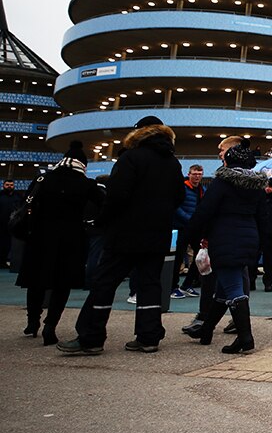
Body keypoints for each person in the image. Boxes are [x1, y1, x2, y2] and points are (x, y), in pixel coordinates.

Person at [57, 116, 185, 355]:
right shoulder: (172, 163)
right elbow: (179, 196)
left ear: (139, 134)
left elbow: (116, 196)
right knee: (149, 284)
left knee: (105, 282)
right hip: (157, 234)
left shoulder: (130, 158)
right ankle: (149, 336)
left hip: (126, 232)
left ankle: (91, 337)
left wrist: (103, 221)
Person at [184, 139, 267, 353]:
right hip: (248, 236)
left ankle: (245, 338)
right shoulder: (257, 186)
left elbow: (205, 210)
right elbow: (262, 215)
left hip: (225, 236)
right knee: (223, 288)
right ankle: (207, 330)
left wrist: (190, 234)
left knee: (232, 288)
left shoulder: (222, 183)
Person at [19, 142, 104, 345]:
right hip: (71, 240)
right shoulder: (86, 184)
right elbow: (104, 205)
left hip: (40, 237)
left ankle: (32, 322)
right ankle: (51, 326)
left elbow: (26, 201)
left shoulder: (43, 179)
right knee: (62, 284)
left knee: (36, 281)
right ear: (82, 164)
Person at [171, 164, 206, 299]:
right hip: (181, 227)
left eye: (199, 174)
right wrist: (189, 219)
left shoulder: (202, 190)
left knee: (200, 256)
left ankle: (187, 285)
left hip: (195, 228)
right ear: (189, 174)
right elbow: (176, 207)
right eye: (195, 174)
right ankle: (173, 287)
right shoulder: (182, 188)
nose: (197, 176)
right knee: (178, 257)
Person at [0, 178, 19, 268]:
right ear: (3, 185)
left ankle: (6, 261)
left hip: (12, 225)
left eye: (11, 185)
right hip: (0, 225)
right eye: (7, 185)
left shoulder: (18, 197)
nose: (9, 186)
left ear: (14, 186)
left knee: (8, 244)